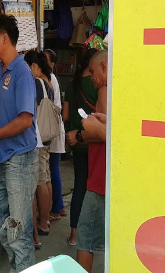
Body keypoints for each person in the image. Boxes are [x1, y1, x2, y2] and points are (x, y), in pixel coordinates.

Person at [0, 15, 38, 272]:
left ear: (5, 39)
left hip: (20, 159)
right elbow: (6, 110)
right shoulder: (1, 69)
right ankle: (17, 259)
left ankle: (20, 264)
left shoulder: (22, 72)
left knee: (19, 228)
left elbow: (25, 120)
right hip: (1, 156)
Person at [69, 50, 108, 272]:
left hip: (99, 179)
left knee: (84, 239)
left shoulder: (104, 90)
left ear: (104, 68)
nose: (91, 77)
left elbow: (106, 136)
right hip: (101, 175)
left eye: (93, 72)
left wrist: (83, 133)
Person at [64, 48, 98, 246]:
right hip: (94, 141)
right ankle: (92, 235)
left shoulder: (72, 84)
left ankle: (74, 236)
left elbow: (66, 116)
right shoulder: (98, 84)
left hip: (77, 141)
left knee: (79, 187)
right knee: (94, 190)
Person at [23, 51, 53, 248]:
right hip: (47, 137)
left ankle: (42, 223)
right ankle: (46, 218)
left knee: (40, 181)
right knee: (47, 179)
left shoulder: (36, 83)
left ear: (34, 66)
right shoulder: (49, 83)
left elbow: (32, 109)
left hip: (39, 138)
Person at [43, 49, 67, 222]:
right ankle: (59, 206)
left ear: (52, 64)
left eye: (45, 59)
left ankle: (56, 209)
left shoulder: (49, 79)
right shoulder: (51, 78)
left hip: (52, 129)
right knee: (53, 169)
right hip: (54, 128)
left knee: (52, 170)